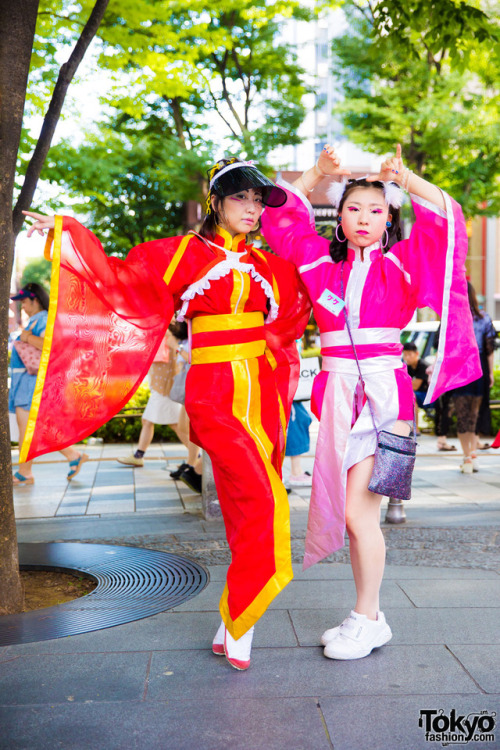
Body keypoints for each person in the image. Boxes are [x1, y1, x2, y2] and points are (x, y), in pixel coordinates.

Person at [22, 157, 311, 670]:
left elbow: (305, 293)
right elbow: (120, 283)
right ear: (214, 202)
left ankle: (234, 618)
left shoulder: (271, 265)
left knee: (248, 509)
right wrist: (68, 235)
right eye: (239, 198)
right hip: (215, 393)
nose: (250, 209)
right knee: (266, 503)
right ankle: (242, 619)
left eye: (256, 200)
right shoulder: (181, 254)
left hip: (262, 394)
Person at [261, 143, 481, 661]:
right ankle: (367, 616)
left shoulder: (404, 263)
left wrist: (403, 178)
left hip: (385, 399)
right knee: (354, 516)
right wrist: (319, 170)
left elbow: (449, 215)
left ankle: (368, 616)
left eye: (376, 210)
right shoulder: (318, 262)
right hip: (337, 397)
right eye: (354, 208)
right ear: (337, 218)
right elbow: (277, 218)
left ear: (388, 220)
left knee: (361, 516)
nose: (364, 218)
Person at [9, 283, 88, 485]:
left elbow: (49, 346)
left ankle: (25, 472)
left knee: (27, 427)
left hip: (30, 382)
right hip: (27, 381)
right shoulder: (37, 320)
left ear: (35, 299)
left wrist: (27, 337)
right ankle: (72, 456)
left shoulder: (42, 319)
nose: (23, 306)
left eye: (25, 301)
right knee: (35, 427)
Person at [450, 281, 497, 473]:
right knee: (474, 413)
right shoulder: (484, 318)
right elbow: (490, 349)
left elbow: (447, 348)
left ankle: (467, 456)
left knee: (463, 414)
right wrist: (491, 373)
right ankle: (472, 455)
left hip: (460, 368)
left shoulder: (452, 316)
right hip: (479, 368)